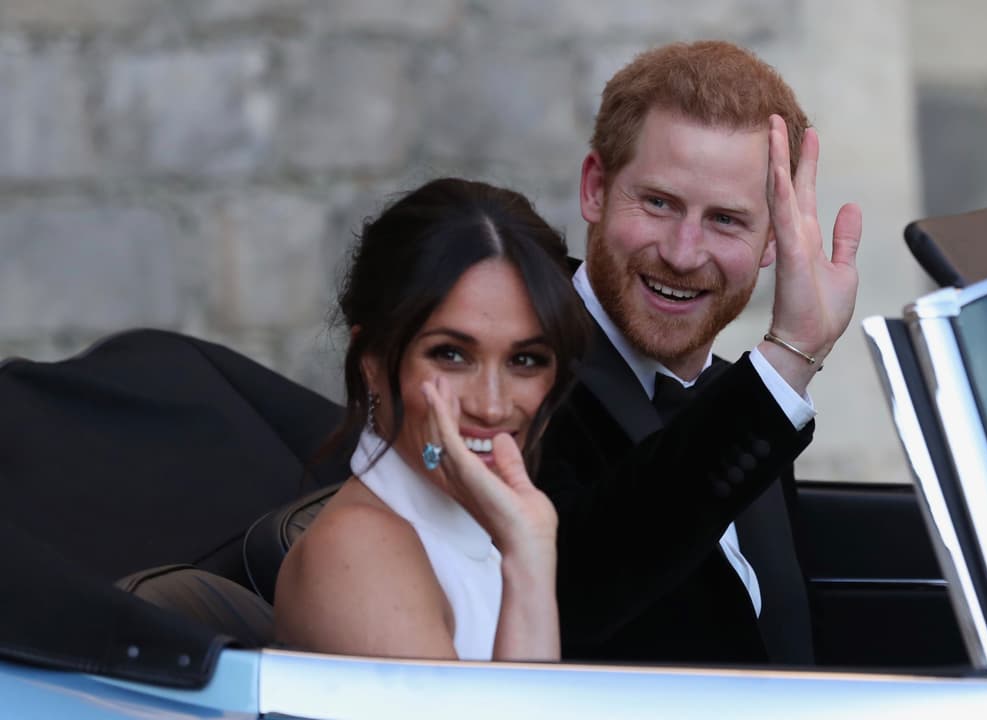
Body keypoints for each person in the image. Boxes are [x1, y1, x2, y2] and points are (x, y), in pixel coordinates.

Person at [537, 40, 863, 664]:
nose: (683, 254)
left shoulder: (743, 397)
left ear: (774, 241)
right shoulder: (518, 372)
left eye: (726, 220)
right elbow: (575, 595)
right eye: (659, 203)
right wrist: (791, 355)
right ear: (596, 189)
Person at [274, 178, 588, 661]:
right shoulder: (359, 549)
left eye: (525, 360)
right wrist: (528, 560)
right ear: (372, 361)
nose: (491, 405)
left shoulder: (477, 532)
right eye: (451, 355)